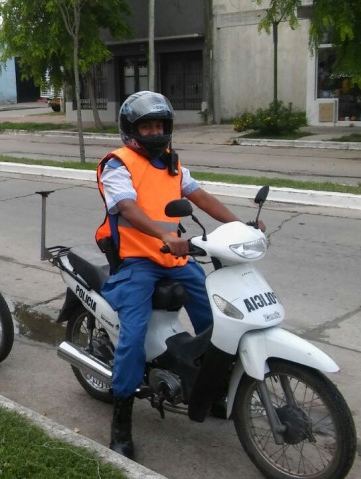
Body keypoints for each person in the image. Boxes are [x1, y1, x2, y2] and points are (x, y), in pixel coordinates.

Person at [94, 91, 264, 459]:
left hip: (174, 257)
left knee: (218, 314)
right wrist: (163, 234)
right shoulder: (117, 164)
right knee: (133, 336)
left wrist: (240, 225)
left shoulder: (172, 163)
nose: (155, 131)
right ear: (131, 130)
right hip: (138, 260)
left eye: (160, 125)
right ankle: (121, 422)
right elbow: (125, 208)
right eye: (147, 125)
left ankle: (210, 388)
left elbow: (199, 196)